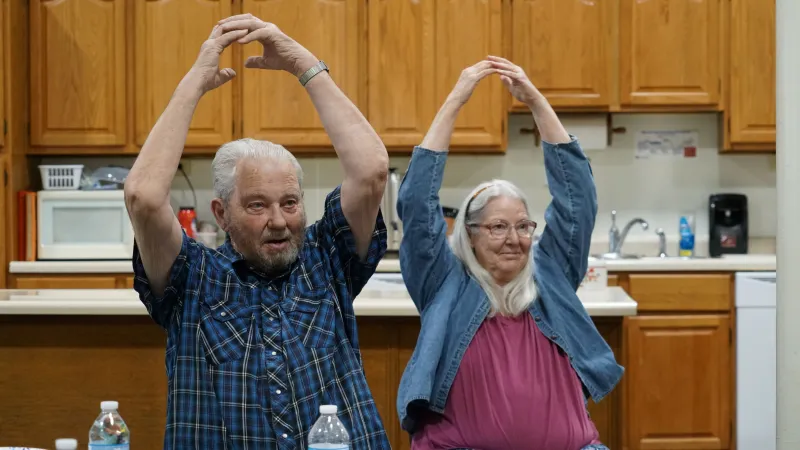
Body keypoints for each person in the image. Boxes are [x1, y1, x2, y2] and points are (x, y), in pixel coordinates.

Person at [124, 14, 391, 449]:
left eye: (289, 202)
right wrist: (194, 81)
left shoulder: (327, 260)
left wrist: (301, 63)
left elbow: (372, 170)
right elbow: (142, 197)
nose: (280, 220)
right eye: (256, 206)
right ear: (221, 213)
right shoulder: (191, 277)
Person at [395, 56, 623, 450]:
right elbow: (416, 204)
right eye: (498, 227)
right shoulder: (444, 284)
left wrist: (536, 102)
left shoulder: (549, 274)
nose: (514, 238)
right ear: (469, 233)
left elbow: (578, 200)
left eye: (523, 226)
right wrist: (454, 102)